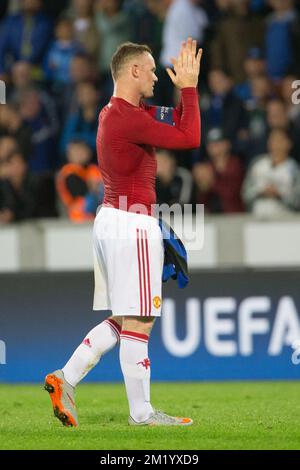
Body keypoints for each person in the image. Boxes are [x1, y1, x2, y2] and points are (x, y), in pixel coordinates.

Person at [44, 37, 202, 427]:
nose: (154, 77)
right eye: (149, 70)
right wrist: (190, 89)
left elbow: (179, 122)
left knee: (128, 316)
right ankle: (142, 413)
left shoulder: (121, 113)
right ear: (133, 71)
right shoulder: (131, 118)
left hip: (115, 218)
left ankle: (66, 377)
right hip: (132, 221)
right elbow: (190, 137)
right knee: (141, 319)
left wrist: (185, 93)